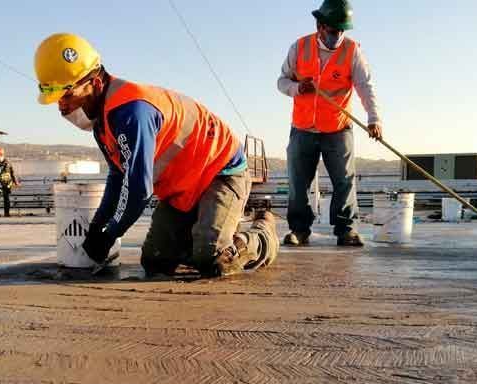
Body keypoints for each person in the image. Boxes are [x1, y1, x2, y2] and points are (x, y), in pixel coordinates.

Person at [34, 33, 278, 277]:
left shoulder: (131, 112)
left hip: (219, 172)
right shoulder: (102, 122)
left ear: (95, 84)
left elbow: (139, 189)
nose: (62, 107)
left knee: (213, 260)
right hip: (183, 186)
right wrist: (98, 225)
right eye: (56, 99)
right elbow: (118, 177)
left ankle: (262, 234)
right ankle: (205, 232)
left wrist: (110, 235)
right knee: (155, 261)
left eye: (66, 95)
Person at [278, 0, 383, 247]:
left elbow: (365, 87)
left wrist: (374, 118)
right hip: (303, 128)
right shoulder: (299, 47)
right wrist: (296, 87)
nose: (338, 36)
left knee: (344, 181)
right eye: (334, 31)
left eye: (341, 31)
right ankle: (299, 230)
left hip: (337, 128)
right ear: (320, 26)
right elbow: (281, 81)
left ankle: (346, 230)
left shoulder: (352, 51)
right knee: (298, 182)